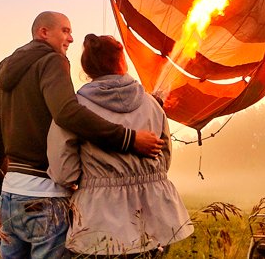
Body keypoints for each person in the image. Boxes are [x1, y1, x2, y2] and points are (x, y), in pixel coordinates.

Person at [0, 12, 165, 259]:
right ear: (43, 32)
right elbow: (67, 113)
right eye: (65, 31)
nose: (70, 38)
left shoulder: (6, 73)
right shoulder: (52, 60)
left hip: (10, 194)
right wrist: (129, 139)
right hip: (46, 194)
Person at [48, 34, 193, 257]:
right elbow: (164, 157)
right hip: (155, 217)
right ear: (122, 61)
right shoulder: (152, 104)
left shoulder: (75, 109)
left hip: (99, 220)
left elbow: (63, 169)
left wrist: (84, 181)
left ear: (87, 68)